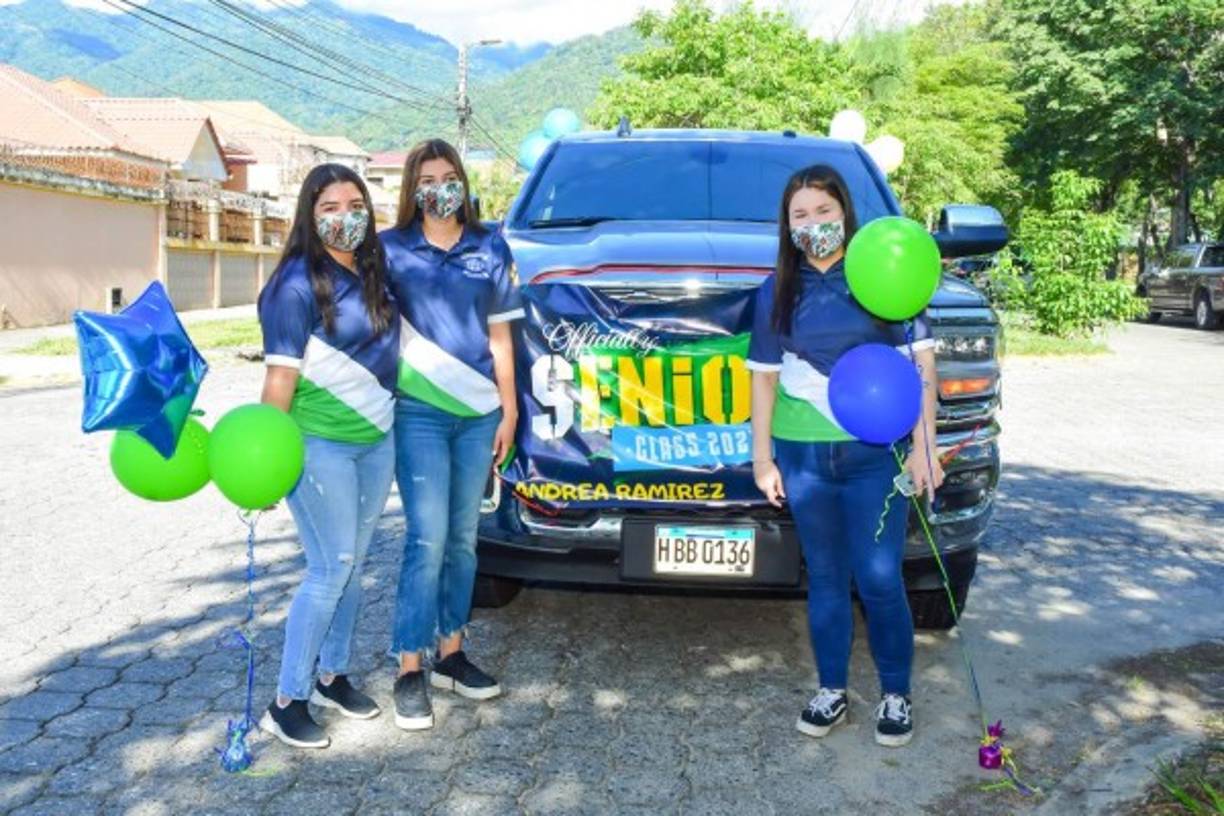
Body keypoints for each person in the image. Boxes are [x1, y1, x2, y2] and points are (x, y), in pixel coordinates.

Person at [746, 164, 944, 748]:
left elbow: (923, 365)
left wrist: (923, 450)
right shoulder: (775, 290)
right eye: (800, 216)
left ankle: (895, 694)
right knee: (826, 578)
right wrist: (763, 459)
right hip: (803, 456)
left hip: (874, 458)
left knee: (880, 577)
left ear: (845, 214)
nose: (814, 226)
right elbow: (762, 380)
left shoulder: (883, 276)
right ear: (787, 227)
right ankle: (831, 690)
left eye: (823, 212)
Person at [380, 139, 523, 731]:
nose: (441, 187)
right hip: (417, 411)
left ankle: (451, 654)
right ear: (413, 188)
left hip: (479, 413)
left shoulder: (490, 245)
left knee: (464, 538)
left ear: (463, 183)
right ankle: (409, 667)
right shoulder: (388, 250)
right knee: (427, 537)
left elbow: (500, 337)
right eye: (428, 178)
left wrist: (510, 411)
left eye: (450, 177)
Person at [256, 163, 399, 748]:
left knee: (354, 566)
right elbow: (276, 388)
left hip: (376, 441)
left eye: (354, 204)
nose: (346, 217)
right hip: (320, 447)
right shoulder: (294, 286)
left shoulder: (372, 271)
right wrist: (264, 462)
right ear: (309, 219)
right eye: (329, 208)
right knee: (329, 568)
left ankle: (332, 675)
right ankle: (287, 700)